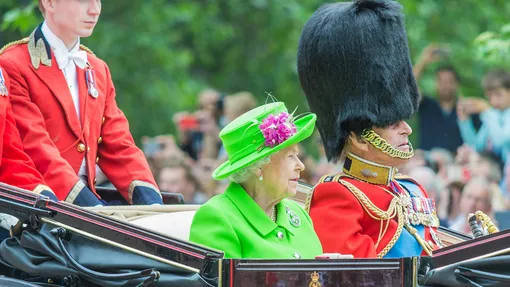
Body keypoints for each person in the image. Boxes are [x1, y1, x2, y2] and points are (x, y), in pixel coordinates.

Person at [298, 0, 442, 258]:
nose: (407, 129)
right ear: (358, 137)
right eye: (392, 122)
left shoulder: (410, 188)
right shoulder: (336, 195)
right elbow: (356, 277)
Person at [0, 0, 161, 206]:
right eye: (83, 0)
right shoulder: (14, 63)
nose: (94, 10)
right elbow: (36, 147)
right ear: (49, 3)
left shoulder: (97, 68)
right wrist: (90, 207)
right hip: (42, 202)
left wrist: (152, 202)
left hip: (89, 204)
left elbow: (120, 145)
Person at [189, 102, 323, 259]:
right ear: (258, 166)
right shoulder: (217, 217)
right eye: (290, 156)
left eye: (297, 155)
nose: (301, 166)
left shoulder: (298, 213)